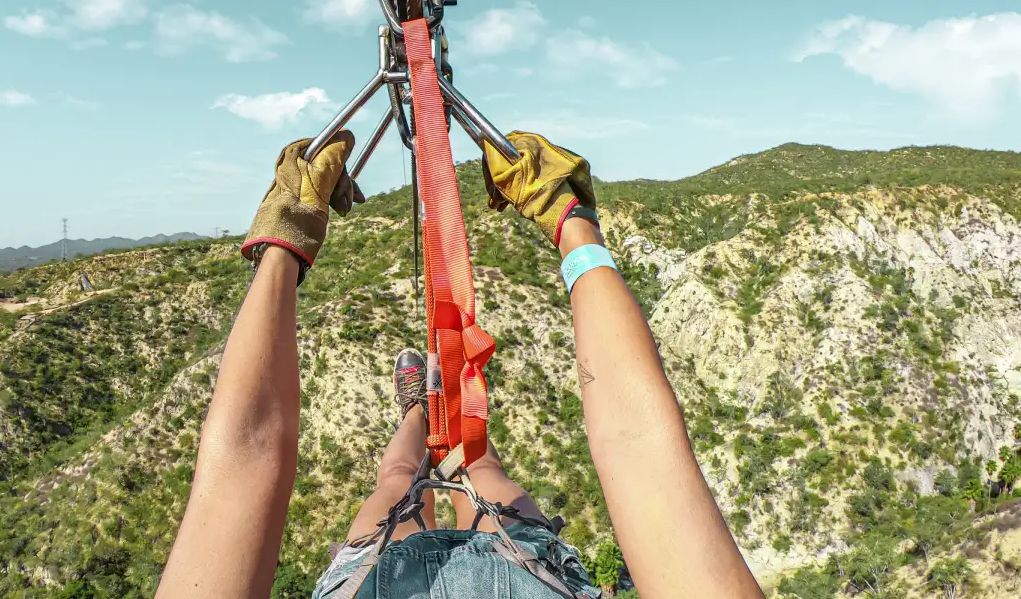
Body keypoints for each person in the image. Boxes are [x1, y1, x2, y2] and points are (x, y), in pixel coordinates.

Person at [155, 131, 765, 599]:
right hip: (515, 575)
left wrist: (287, 236)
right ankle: (451, 416)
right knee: (473, 466)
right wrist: (570, 222)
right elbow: (639, 443)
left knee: (399, 482)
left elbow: (244, 452)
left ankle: (423, 407)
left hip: (408, 577)